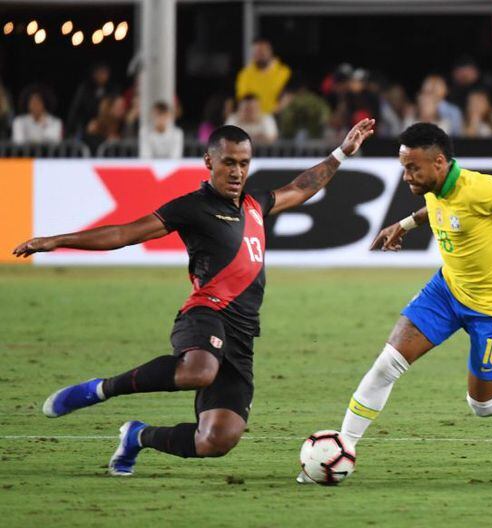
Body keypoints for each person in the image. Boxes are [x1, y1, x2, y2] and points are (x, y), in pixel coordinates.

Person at [14, 119, 375, 476]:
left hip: (242, 335)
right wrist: (57, 241)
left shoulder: (255, 205)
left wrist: (341, 153)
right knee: (199, 370)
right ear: (209, 161)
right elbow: (124, 233)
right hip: (205, 314)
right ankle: (101, 389)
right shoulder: (191, 207)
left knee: (217, 440)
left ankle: (137, 436)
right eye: (228, 162)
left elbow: (301, 187)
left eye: (244, 163)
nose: (237, 172)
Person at [298, 123, 492, 483]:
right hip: (447, 291)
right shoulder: (434, 186)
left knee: (484, 405)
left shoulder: (480, 189)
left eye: (412, 168)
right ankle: (342, 449)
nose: (406, 176)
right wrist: (404, 224)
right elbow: (436, 208)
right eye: (403, 167)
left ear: (439, 163)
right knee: (386, 365)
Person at [235, 38, 291, 115]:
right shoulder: (244, 74)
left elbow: (289, 97)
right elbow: (242, 98)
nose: (259, 55)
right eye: (256, 52)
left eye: (262, 52)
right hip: (253, 117)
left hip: (278, 116)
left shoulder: (285, 72)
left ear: (270, 52)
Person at [67, 62, 117, 137]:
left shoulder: (112, 89)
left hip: (106, 126)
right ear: (94, 74)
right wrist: (81, 127)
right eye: (101, 73)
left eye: (106, 73)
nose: (103, 76)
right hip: (85, 126)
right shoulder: (85, 89)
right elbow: (75, 110)